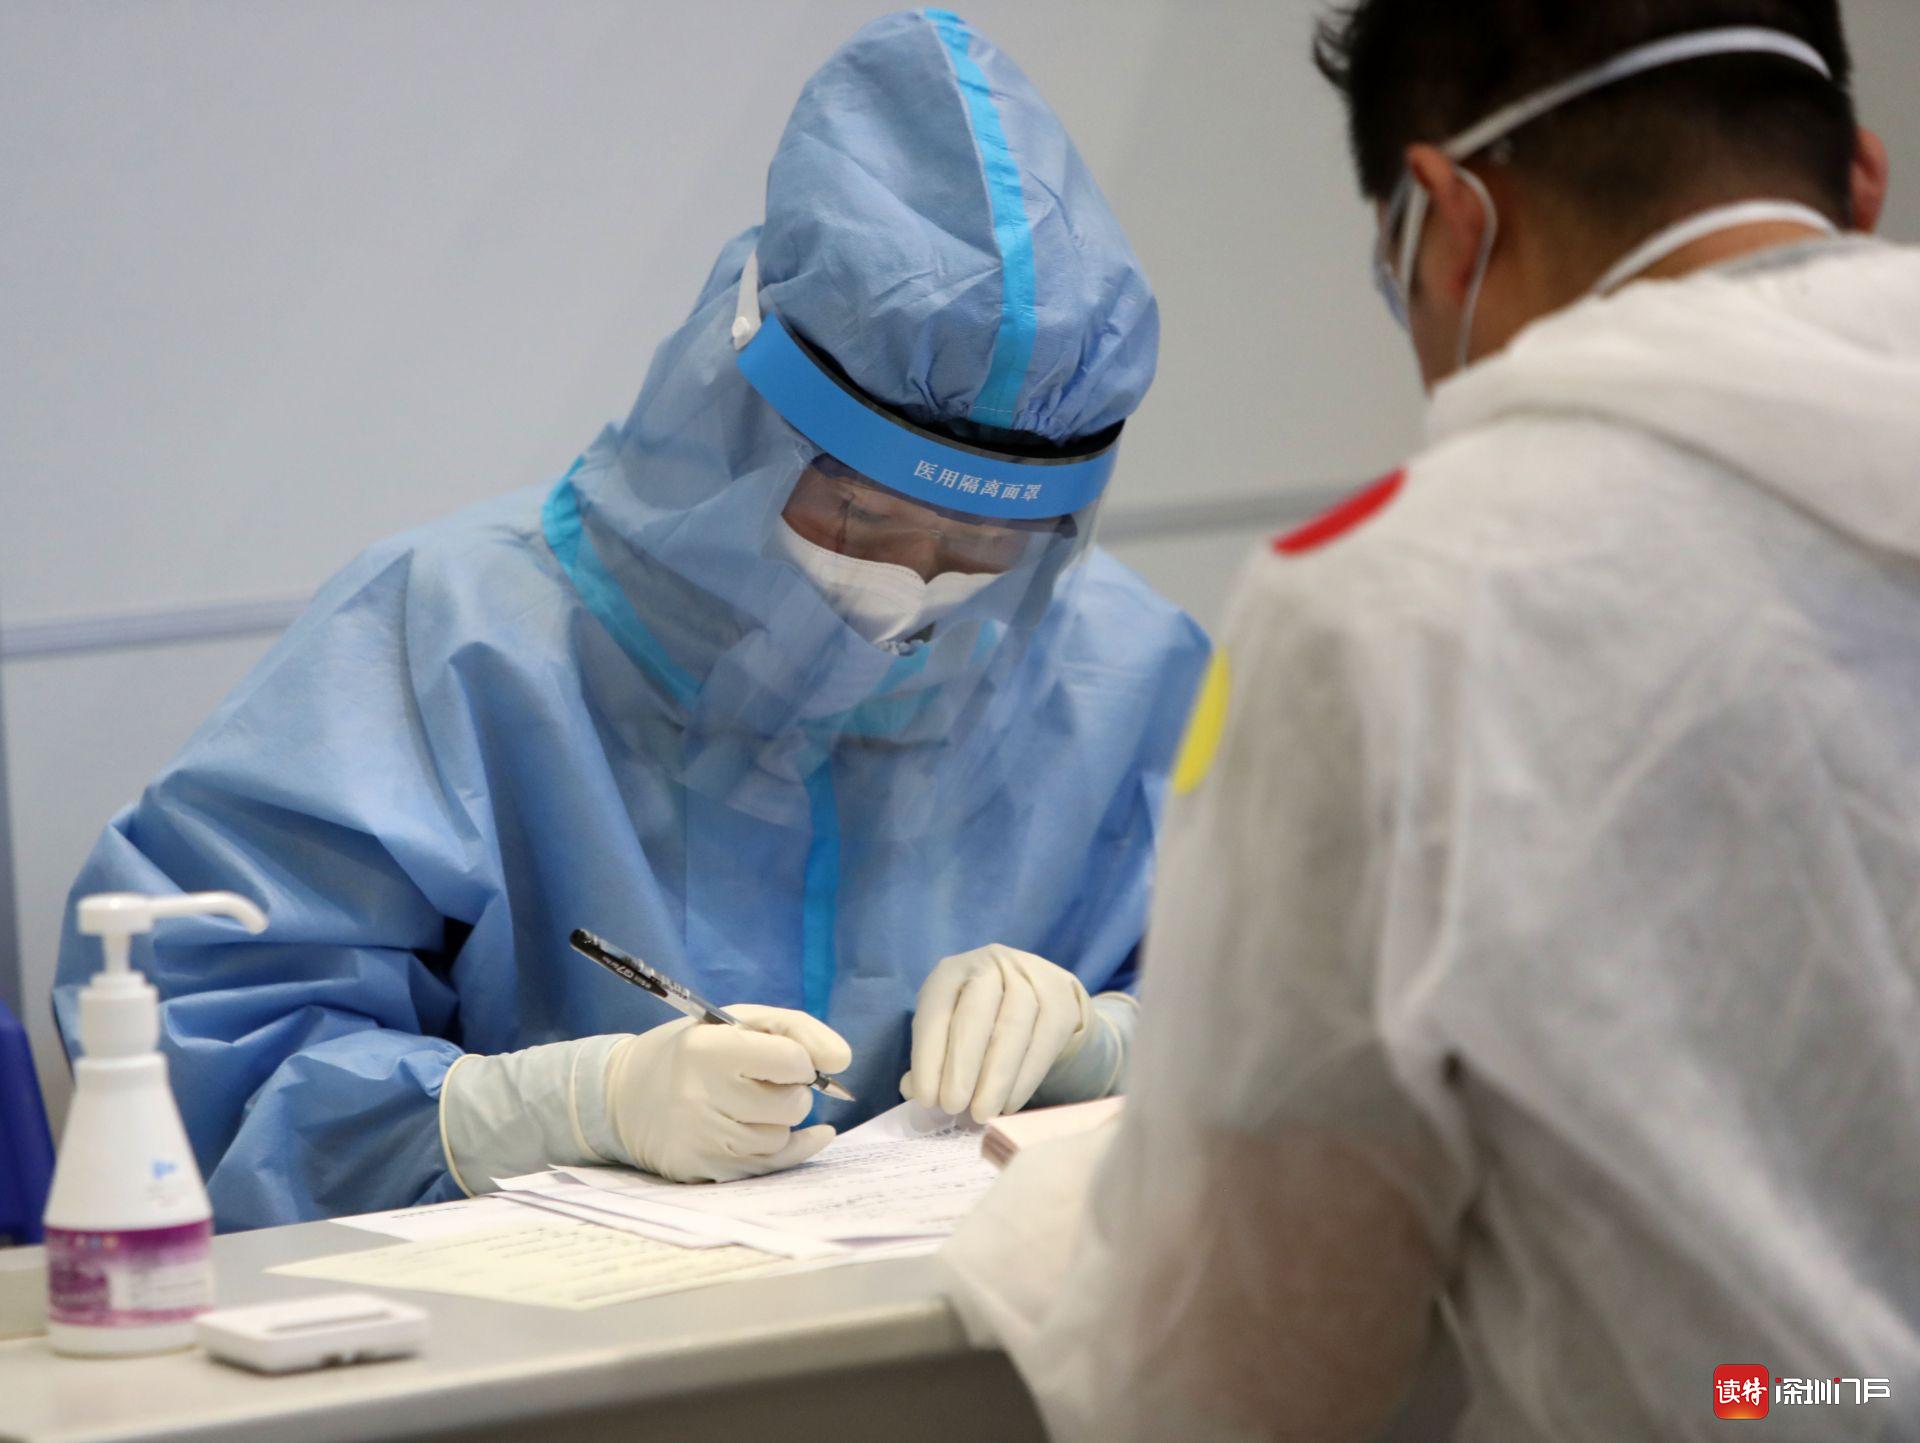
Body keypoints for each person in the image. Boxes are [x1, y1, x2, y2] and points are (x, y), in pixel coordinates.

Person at [52, 10, 1208, 1231]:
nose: (915, 578)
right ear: (740, 420)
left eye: (984, 544)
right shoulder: (456, 638)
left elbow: (1297, 1008)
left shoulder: (1123, 669)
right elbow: (204, 1046)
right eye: (862, 515)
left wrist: (1109, 1043)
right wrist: (564, 1107)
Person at [945, 2, 1920, 1438]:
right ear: (1860, 183)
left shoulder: (1392, 603)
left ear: (1451, 224)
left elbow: (1234, 1382)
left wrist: (1063, 1227)